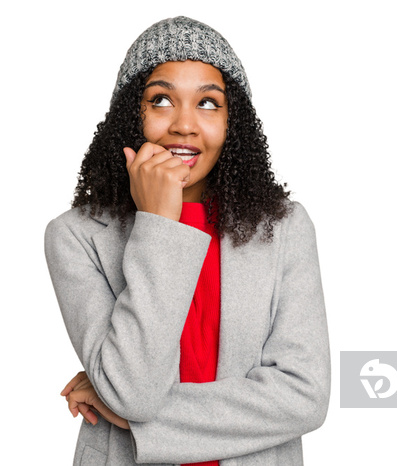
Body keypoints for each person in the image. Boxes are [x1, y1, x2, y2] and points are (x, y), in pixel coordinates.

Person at [44, 16, 330, 465]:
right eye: (161, 100)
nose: (185, 125)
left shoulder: (285, 228)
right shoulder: (76, 236)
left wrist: (134, 419)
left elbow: (304, 396)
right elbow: (132, 391)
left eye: (208, 104)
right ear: (129, 115)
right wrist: (159, 222)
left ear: (234, 122)